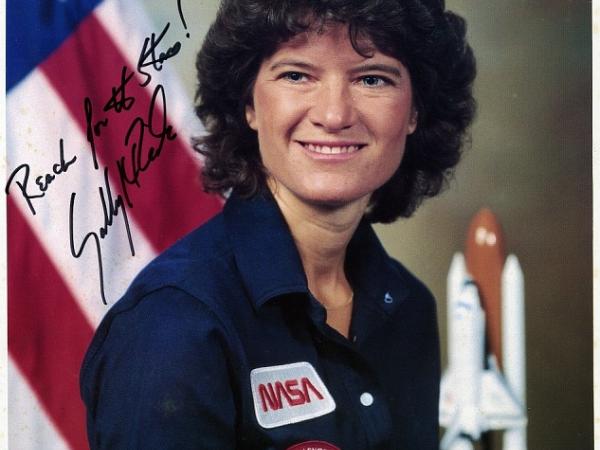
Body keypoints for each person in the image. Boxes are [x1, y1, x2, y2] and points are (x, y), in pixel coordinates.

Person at [80, 0, 476, 449]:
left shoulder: (408, 310)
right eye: (297, 75)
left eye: (372, 79)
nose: (334, 115)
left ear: (414, 113)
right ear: (249, 103)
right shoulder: (176, 324)